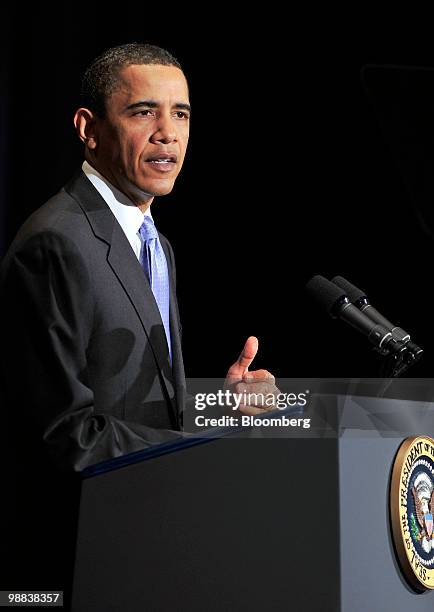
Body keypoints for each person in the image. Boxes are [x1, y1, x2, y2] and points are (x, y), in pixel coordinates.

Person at [0, 43, 278, 600]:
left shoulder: (156, 245)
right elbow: (65, 436)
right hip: (76, 564)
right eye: (143, 112)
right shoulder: (57, 243)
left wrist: (226, 407)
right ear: (89, 128)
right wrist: (202, 449)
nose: (168, 134)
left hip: (148, 545)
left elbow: (139, 402)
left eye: (181, 114)